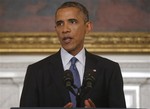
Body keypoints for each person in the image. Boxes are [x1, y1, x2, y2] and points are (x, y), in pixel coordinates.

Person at [20, 1, 126, 108]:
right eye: (60, 24)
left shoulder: (109, 70)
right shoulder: (36, 72)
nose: (65, 29)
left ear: (88, 27)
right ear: (55, 29)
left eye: (72, 22)